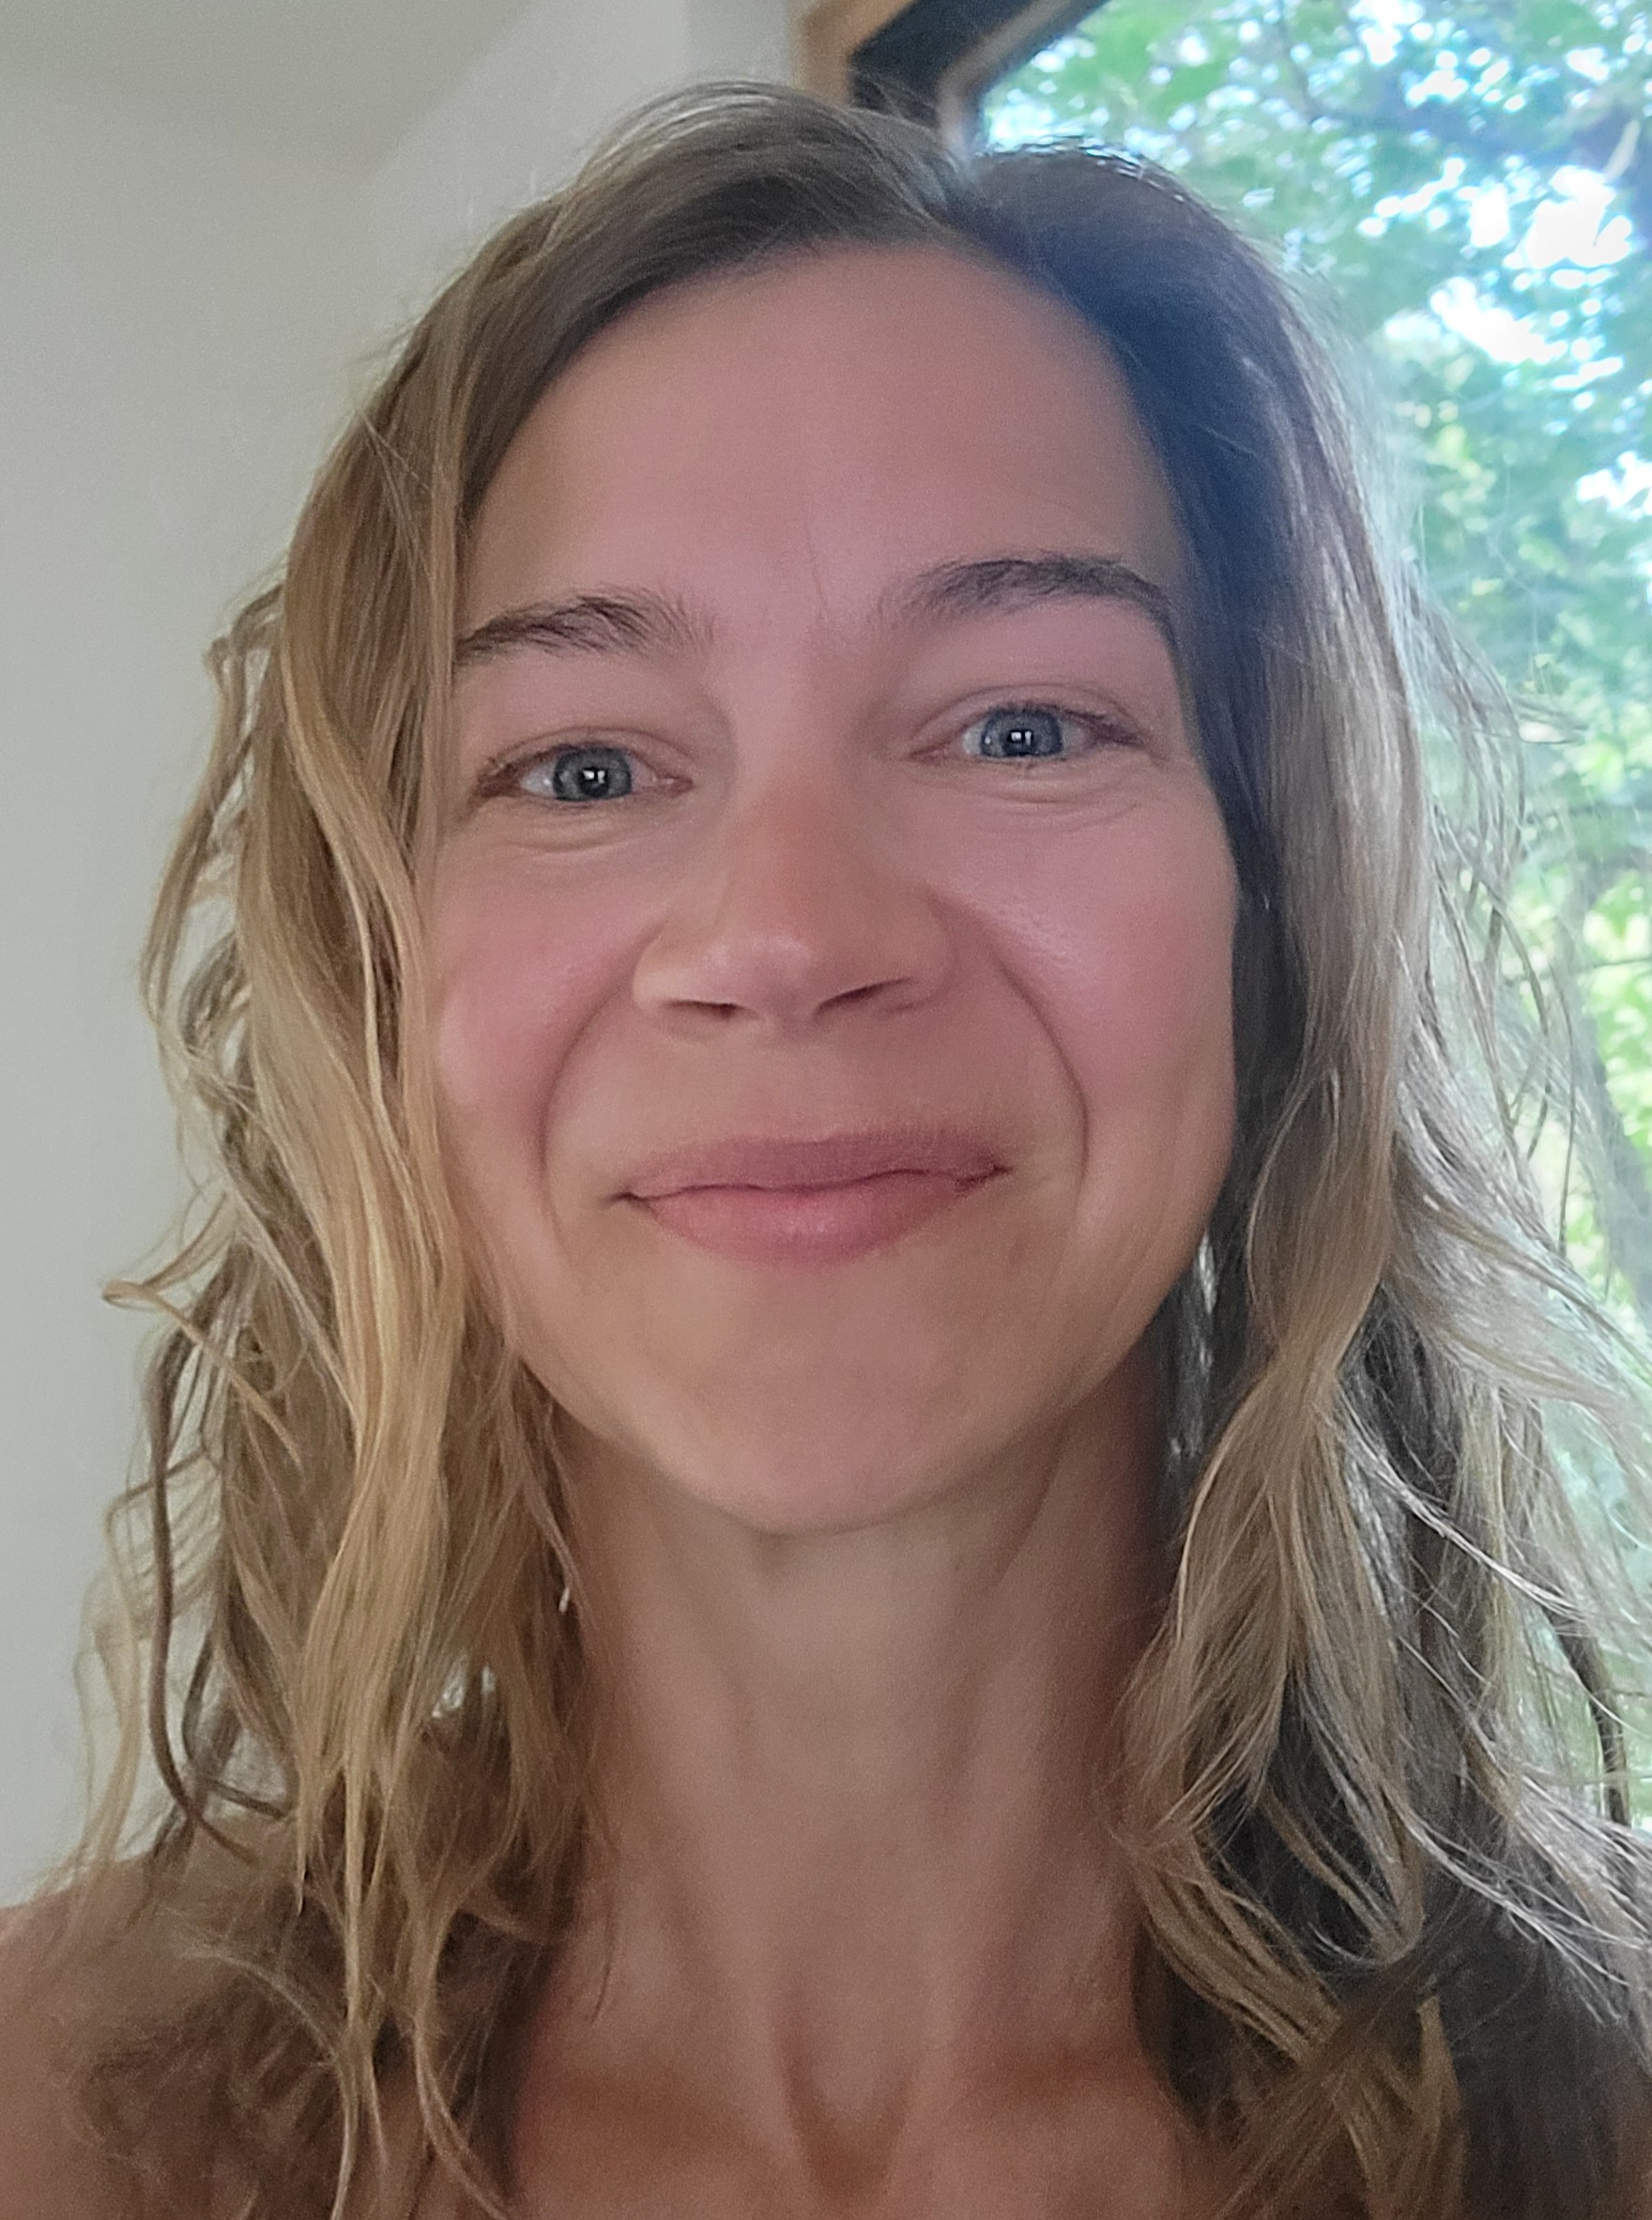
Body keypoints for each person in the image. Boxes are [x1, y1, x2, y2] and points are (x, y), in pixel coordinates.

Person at [1, 77, 1649, 2220]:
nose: (783, 936)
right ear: (382, 970)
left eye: (1022, 724)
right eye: (584, 764)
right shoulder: (54, 2116)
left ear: (1276, 917)